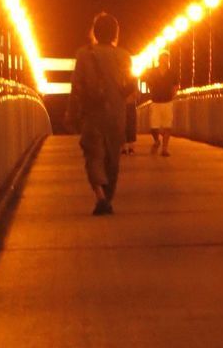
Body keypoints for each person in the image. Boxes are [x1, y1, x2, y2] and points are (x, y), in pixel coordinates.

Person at [66, 12, 136, 215]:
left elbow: (76, 86)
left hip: (93, 112)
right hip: (117, 114)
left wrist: (71, 113)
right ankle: (108, 196)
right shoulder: (124, 56)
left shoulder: (84, 54)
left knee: (93, 155)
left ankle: (100, 195)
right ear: (115, 33)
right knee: (112, 159)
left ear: (95, 32)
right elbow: (130, 88)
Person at [144, 50, 178, 155]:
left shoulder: (172, 72)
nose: (166, 61)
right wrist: (152, 92)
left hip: (167, 101)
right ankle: (157, 141)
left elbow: (175, 85)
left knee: (167, 126)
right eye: (164, 59)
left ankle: (165, 148)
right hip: (156, 101)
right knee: (153, 127)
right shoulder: (153, 72)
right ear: (160, 60)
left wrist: (173, 95)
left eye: (167, 59)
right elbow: (149, 84)